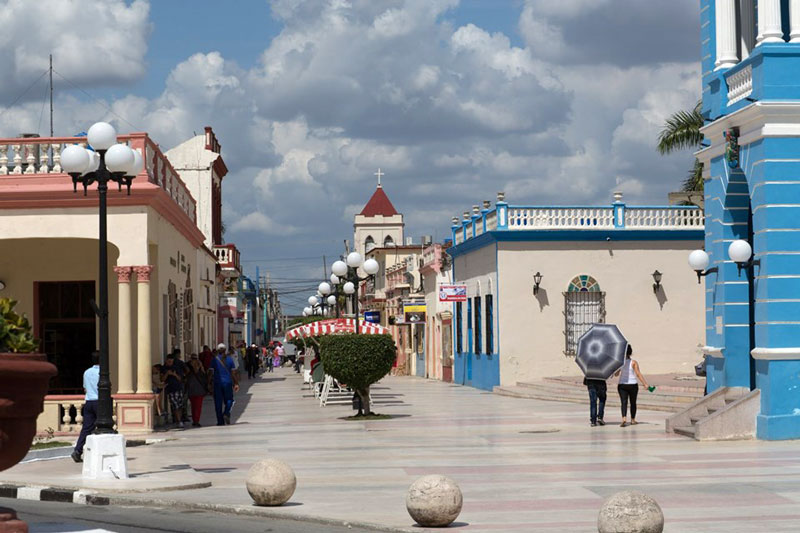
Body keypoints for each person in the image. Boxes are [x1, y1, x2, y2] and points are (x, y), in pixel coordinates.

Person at [72, 351, 100, 463]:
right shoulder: (103, 373)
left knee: (86, 428)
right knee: (105, 426)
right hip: (99, 402)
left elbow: (85, 388)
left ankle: (77, 451)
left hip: (88, 401)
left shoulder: (87, 372)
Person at [616, 344, 654, 427]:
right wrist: (645, 384)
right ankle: (633, 420)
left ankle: (624, 418)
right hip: (633, 385)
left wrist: (617, 368)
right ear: (630, 352)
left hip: (622, 385)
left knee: (624, 402)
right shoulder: (634, 362)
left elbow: (616, 374)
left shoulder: (620, 363)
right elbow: (638, 374)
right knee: (633, 402)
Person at [210, 343, 239, 425]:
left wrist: (209, 383)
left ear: (218, 350)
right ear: (225, 350)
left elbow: (210, 373)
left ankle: (220, 421)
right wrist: (236, 383)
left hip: (217, 383)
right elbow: (233, 373)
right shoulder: (230, 359)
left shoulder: (214, 360)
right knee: (230, 400)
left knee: (218, 402)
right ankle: (226, 412)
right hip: (227, 383)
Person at [162, 354, 186, 428]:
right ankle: (179, 421)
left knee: (180, 405)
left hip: (178, 388)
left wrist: (174, 375)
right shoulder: (164, 368)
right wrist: (167, 374)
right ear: (166, 360)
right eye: (169, 361)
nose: (170, 363)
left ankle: (179, 420)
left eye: (171, 361)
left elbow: (180, 379)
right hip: (171, 389)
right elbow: (162, 379)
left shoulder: (176, 368)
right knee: (175, 405)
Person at [186, 355, 208, 427]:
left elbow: (204, 376)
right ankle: (195, 420)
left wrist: (199, 367)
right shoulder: (188, 367)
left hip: (197, 390)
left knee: (196, 406)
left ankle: (196, 420)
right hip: (194, 390)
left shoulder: (199, 367)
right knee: (195, 406)